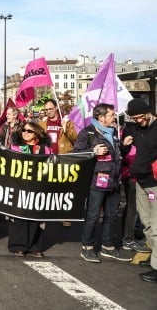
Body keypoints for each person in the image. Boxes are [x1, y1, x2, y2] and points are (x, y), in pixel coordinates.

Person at [74, 103, 133, 263]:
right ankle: (87, 247)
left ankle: (108, 246)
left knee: (112, 215)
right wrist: (93, 152)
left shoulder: (113, 132)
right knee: (93, 215)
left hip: (114, 180)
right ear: (101, 117)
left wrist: (125, 147)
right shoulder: (88, 133)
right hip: (96, 181)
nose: (114, 117)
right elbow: (76, 153)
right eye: (111, 114)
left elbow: (117, 154)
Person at [122, 98, 157, 283]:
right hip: (141, 182)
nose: (138, 120)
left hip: (154, 183)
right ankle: (154, 258)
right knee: (147, 223)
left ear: (149, 112)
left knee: (156, 225)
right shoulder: (137, 129)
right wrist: (126, 143)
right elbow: (127, 149)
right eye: (135, 118)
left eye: (141, 117)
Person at [8, 121, 50, 257]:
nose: (25, 133)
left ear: (37, 133)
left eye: (29, 131)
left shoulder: (45, 149)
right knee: (20, 216)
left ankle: (34, 246)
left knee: (36, 217)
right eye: (23, 130)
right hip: (20, 186)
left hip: (38, 187)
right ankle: (18, 245)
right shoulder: (16, 148)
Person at [39, 99, 77, 228]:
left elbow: (75, 139)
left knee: (64, 188)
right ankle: (42, 215)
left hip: (63, 158)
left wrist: (67, 128)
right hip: (48, 159)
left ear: (56, 108)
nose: (48, 111)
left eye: (50, 108)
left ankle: (65, 215)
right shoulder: (43, 123)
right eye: (46, 109)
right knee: (45, 188)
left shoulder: (66, 121)